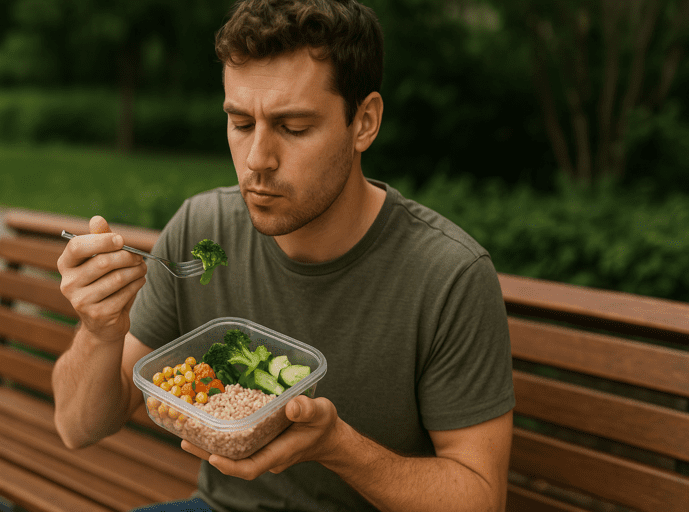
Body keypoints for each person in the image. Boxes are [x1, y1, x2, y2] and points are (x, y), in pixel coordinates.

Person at [53, 1, 516, 511]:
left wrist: (339, 447)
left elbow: (479, 499)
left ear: (364, 122)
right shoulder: (201, 230)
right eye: (240, 123)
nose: (256, 161)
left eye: (293, 128)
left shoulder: (449, 277)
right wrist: (99, 330)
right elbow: (76, 427)